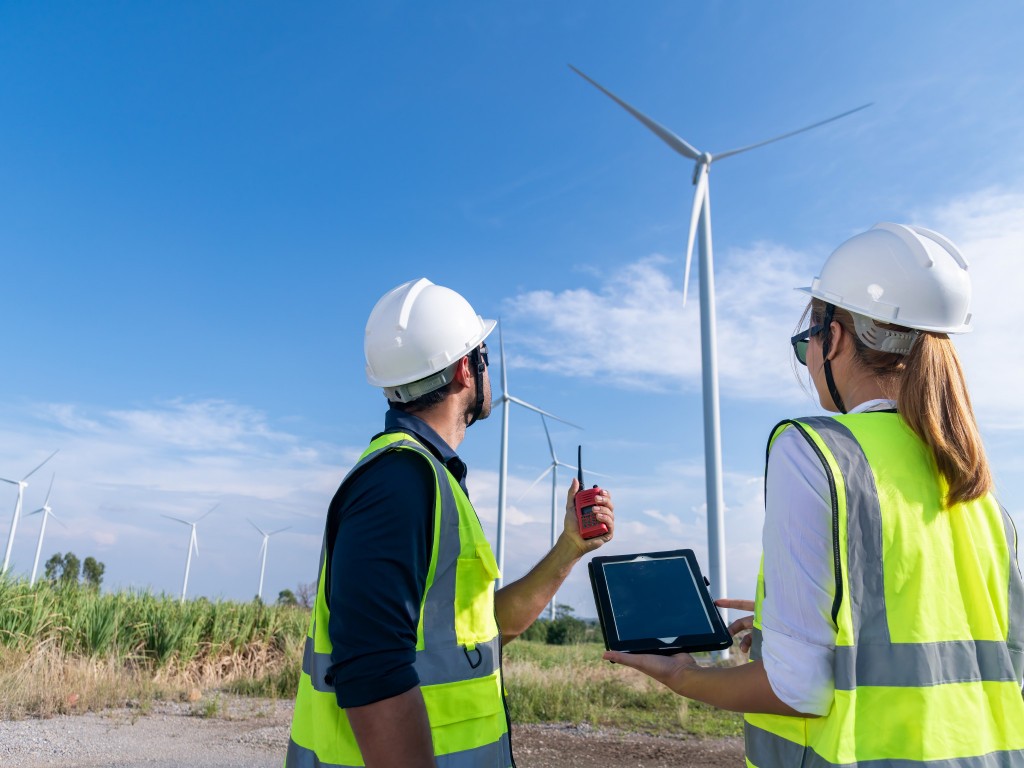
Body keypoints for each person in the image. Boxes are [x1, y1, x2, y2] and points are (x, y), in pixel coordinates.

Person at [604, 223, 1024, 766]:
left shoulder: (816, 452)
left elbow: (797, 692)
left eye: (808, 341)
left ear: (837, 337)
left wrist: (687, 677)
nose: (808, 358)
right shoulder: (979, 490)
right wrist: (808, 632)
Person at [286, 277, 615, 768]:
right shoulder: (399, 482)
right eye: (485, 355)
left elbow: (486, 628)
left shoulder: (428, 481)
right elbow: (373, 673)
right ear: (467, 369)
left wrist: (569, 546)